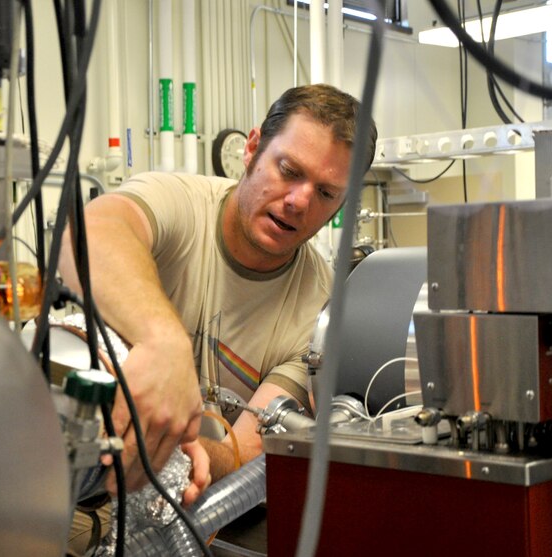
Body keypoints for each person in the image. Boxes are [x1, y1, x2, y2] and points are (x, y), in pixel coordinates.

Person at [59, 83, 377, 552]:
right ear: (252, 149)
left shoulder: (321, 311)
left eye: (326, 192)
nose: (299, 201)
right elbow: (87, 234)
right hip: (68, 485)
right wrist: (162, 343)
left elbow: (247, 455)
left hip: (185, 504)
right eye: (288, 171)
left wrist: (167, 450)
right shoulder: (179, 204)